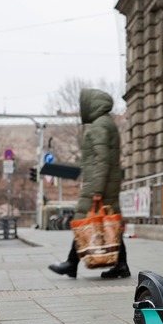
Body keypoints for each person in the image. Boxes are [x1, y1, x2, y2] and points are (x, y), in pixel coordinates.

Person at [48, 89, 130, 279]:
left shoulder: (100, 126)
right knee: (107, 223)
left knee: (85, 221)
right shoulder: (105, 123)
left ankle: (71, 263)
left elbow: (101, 160)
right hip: (105, 183)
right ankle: (120, 265)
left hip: (99, 184)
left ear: (92, 105)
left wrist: (96, 189)